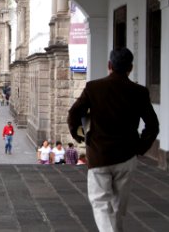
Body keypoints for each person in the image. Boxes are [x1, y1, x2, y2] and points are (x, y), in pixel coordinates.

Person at [68, 48, 159, 232]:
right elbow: (153, 125)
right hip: (126, 157)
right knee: (117, 207)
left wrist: (79, 135)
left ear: (109, 66)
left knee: (101, 204)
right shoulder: (139, 91)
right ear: (130, 68)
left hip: (99, 155)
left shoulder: (94, 88)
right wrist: (140, 148)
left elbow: (74, 113)